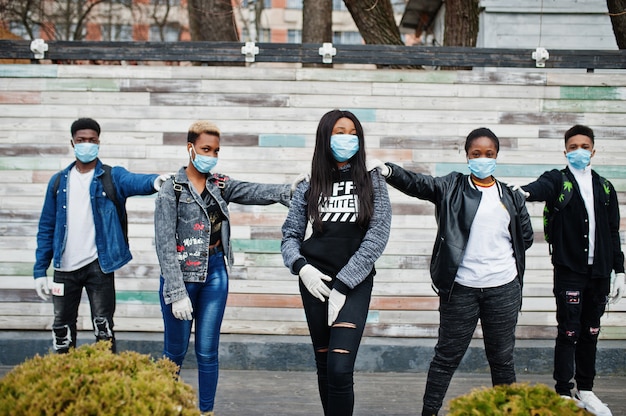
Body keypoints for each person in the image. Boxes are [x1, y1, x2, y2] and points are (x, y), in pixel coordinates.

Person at [370, 127, 534, 416]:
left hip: (504, 288)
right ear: (467, 155)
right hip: (461, 289)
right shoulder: (451, 187)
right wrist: (389, 171)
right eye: (476, 154)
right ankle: (429, 412)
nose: (482, 159)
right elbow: (419, 183)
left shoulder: (511, 196)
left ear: (497, 155)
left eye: (489, 154)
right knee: (446, 357)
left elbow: (526, 237)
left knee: (502, 360)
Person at [155, 120, 298, 416]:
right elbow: (164, 244)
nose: (211, 155)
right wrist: (176, 291)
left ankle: (206, 412)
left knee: (208, 352)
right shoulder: (172, 189)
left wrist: (289, 190)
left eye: (216, 150)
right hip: (181, 277)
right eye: (206, 149)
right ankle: (161, 408)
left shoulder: (219, 184)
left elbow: (253, 191)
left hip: (215, 272)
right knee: (174, 353)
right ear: (190, 148)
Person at [281, 109, 391, 416]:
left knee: (341, 368)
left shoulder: (372, 180)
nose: (347, 138)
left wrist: (345, 282)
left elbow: (378, 233)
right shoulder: (308, 183)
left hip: (353, 283)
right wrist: (301, 267)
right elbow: (289, 234)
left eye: (353, 132)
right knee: (325, 364)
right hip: (315, 281)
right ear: (325, 137)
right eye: (339, 132)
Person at [516, 125, 624, 416]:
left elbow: (613, 232)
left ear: (593, 150)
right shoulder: (558, 180)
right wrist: (524, 192)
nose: (579, 151)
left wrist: (620, 272)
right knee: (569, 330)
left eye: (585, 146)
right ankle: (563, 391)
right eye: (573, 146)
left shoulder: (604, 187)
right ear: (565, 151)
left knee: (591, 331)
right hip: (570, 272)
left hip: (599, 274)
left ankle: (586, 389)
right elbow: (539, 188)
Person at [34, 117, 167, 354]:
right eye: (81, 140)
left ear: (99, 143)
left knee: (103, 328)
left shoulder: (111, 176)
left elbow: (134, 181)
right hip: (63, 270)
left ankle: (105, 381)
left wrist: (156, 181)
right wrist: (39, 271)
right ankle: (65, 381)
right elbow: (47, 226)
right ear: (72, 143)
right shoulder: (58, 182)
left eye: (92, 140)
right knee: (62, 331)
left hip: (99, 267)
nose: (87, 144)